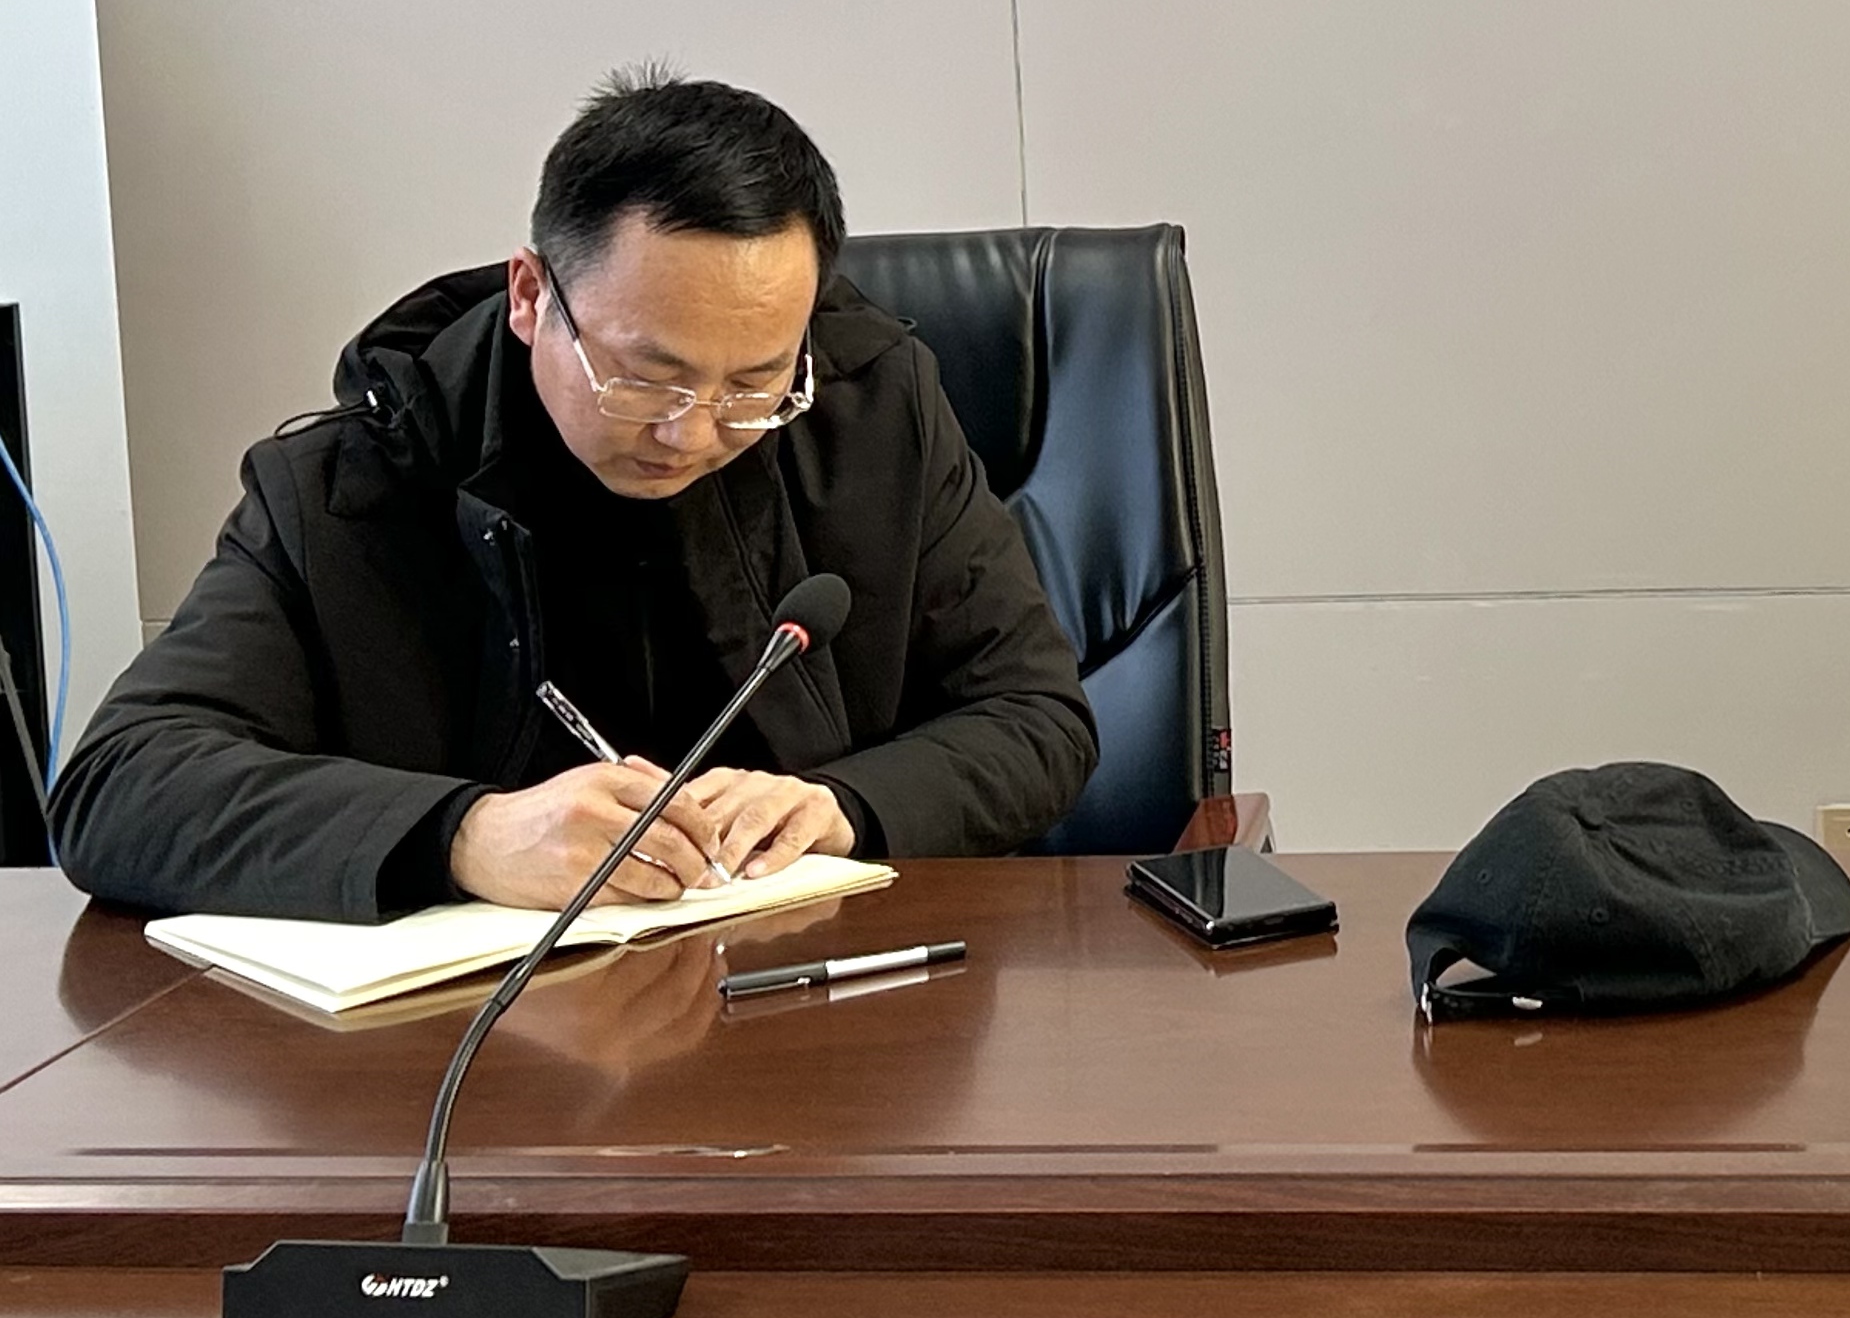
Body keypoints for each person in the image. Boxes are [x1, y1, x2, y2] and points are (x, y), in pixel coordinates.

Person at [52, 70, 1097, 920]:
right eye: (645, 377)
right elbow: (118, 785)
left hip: (827, 1000)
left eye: (754, 384)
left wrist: (841, 806)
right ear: (529, 295)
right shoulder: (355, 479)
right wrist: (467, 835)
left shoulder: (873, 410)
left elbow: (1037, 716)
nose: (693, 431)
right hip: (471, 1039)